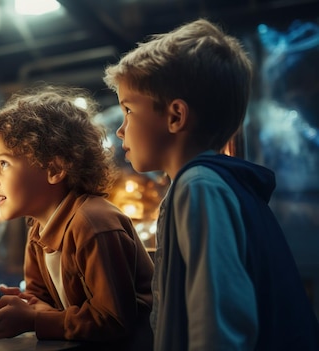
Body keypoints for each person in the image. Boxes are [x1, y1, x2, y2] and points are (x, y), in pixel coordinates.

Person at [103, 18, 319, 351]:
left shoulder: (199, 187)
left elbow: (217, 322)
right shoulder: (214, 184)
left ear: (176, 116)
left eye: (128, 110)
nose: (120, 130)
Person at [0, 84, 155, 350]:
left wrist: (32, 321)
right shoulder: (38, 230)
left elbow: (113, 321)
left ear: (54, 169)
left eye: (4, 164)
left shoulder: (94, 223)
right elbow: (44, 306)